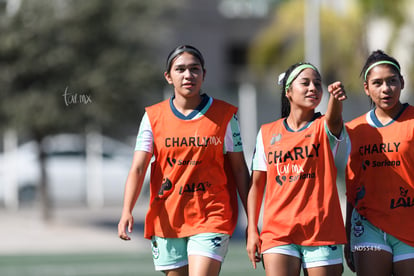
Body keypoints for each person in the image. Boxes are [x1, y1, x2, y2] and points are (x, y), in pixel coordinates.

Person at [117, 45, 250, 276]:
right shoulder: (152, 117)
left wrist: (254, 220)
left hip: (211, 215)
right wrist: (126, 210)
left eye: (194, 69)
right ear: (169, 76)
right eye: (180, 69)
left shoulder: (225, 115)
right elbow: (138, 168)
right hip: (167, 217)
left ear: (204, 74)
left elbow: (239, 170)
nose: (188, 75)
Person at [246, 62, 348, 276]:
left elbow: (335, 119)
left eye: (317, 84)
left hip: (321, 232)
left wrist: (336, 100)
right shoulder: (267, 132)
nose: (313, 88)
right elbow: (256, 186)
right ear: (288, 91)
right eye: (306, 83)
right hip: (277, 233)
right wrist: (252, 230)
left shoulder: (324, 126)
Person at [344, 50, 414, 276]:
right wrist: (347, 235)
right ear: (366, 88)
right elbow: (352, 187)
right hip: (368, 227)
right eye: (377, 83)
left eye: (392, 81)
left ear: (402, 82)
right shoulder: (354, 129)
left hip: (409, 224)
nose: (386, 89)